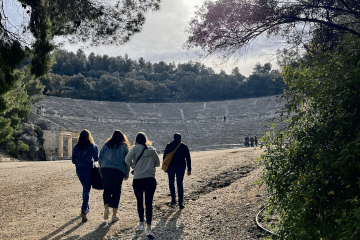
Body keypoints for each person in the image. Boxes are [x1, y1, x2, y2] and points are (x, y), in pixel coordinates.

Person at [125, 132, 160, 238]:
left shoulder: (134, 148)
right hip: (150, 178)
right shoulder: (152, 150)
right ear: (145, 140)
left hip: (138, 178)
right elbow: (158, 164)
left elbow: (127, 160)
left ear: (136, 140)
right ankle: (149, 228)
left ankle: (141, 223)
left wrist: (134, 166)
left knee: (140, 201)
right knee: (149, 203)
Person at [98, 130, 130, 222]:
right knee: (116, 192)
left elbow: (100, 158)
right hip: (118, 170)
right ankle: (114, 215)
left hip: (105, 169)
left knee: (107, 190)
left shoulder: (106, 145)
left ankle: (106, 209)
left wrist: (101, 168)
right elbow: (127, 161)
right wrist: (126, 173)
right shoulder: (123, 146)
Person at [72, 129, 99, 221]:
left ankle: (86, 207)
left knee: (85, 188)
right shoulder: (92, 146)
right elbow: (96, 158)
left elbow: (73, 160)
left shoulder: (76, 147)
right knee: (86, 190)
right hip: (88, 169)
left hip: (79, 170)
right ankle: (84, 210)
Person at [163, 133, 191, 210]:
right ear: (180, 138)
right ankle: (180, 202)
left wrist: (165, 167)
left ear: (173, 138)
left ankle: (173, 200)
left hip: (171, 168)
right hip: (181, 167)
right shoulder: (184, 146)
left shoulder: (169, 145)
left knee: (171, 183)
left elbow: (165, 157)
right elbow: (188, 158)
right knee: (180, 184)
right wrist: (189, 169)